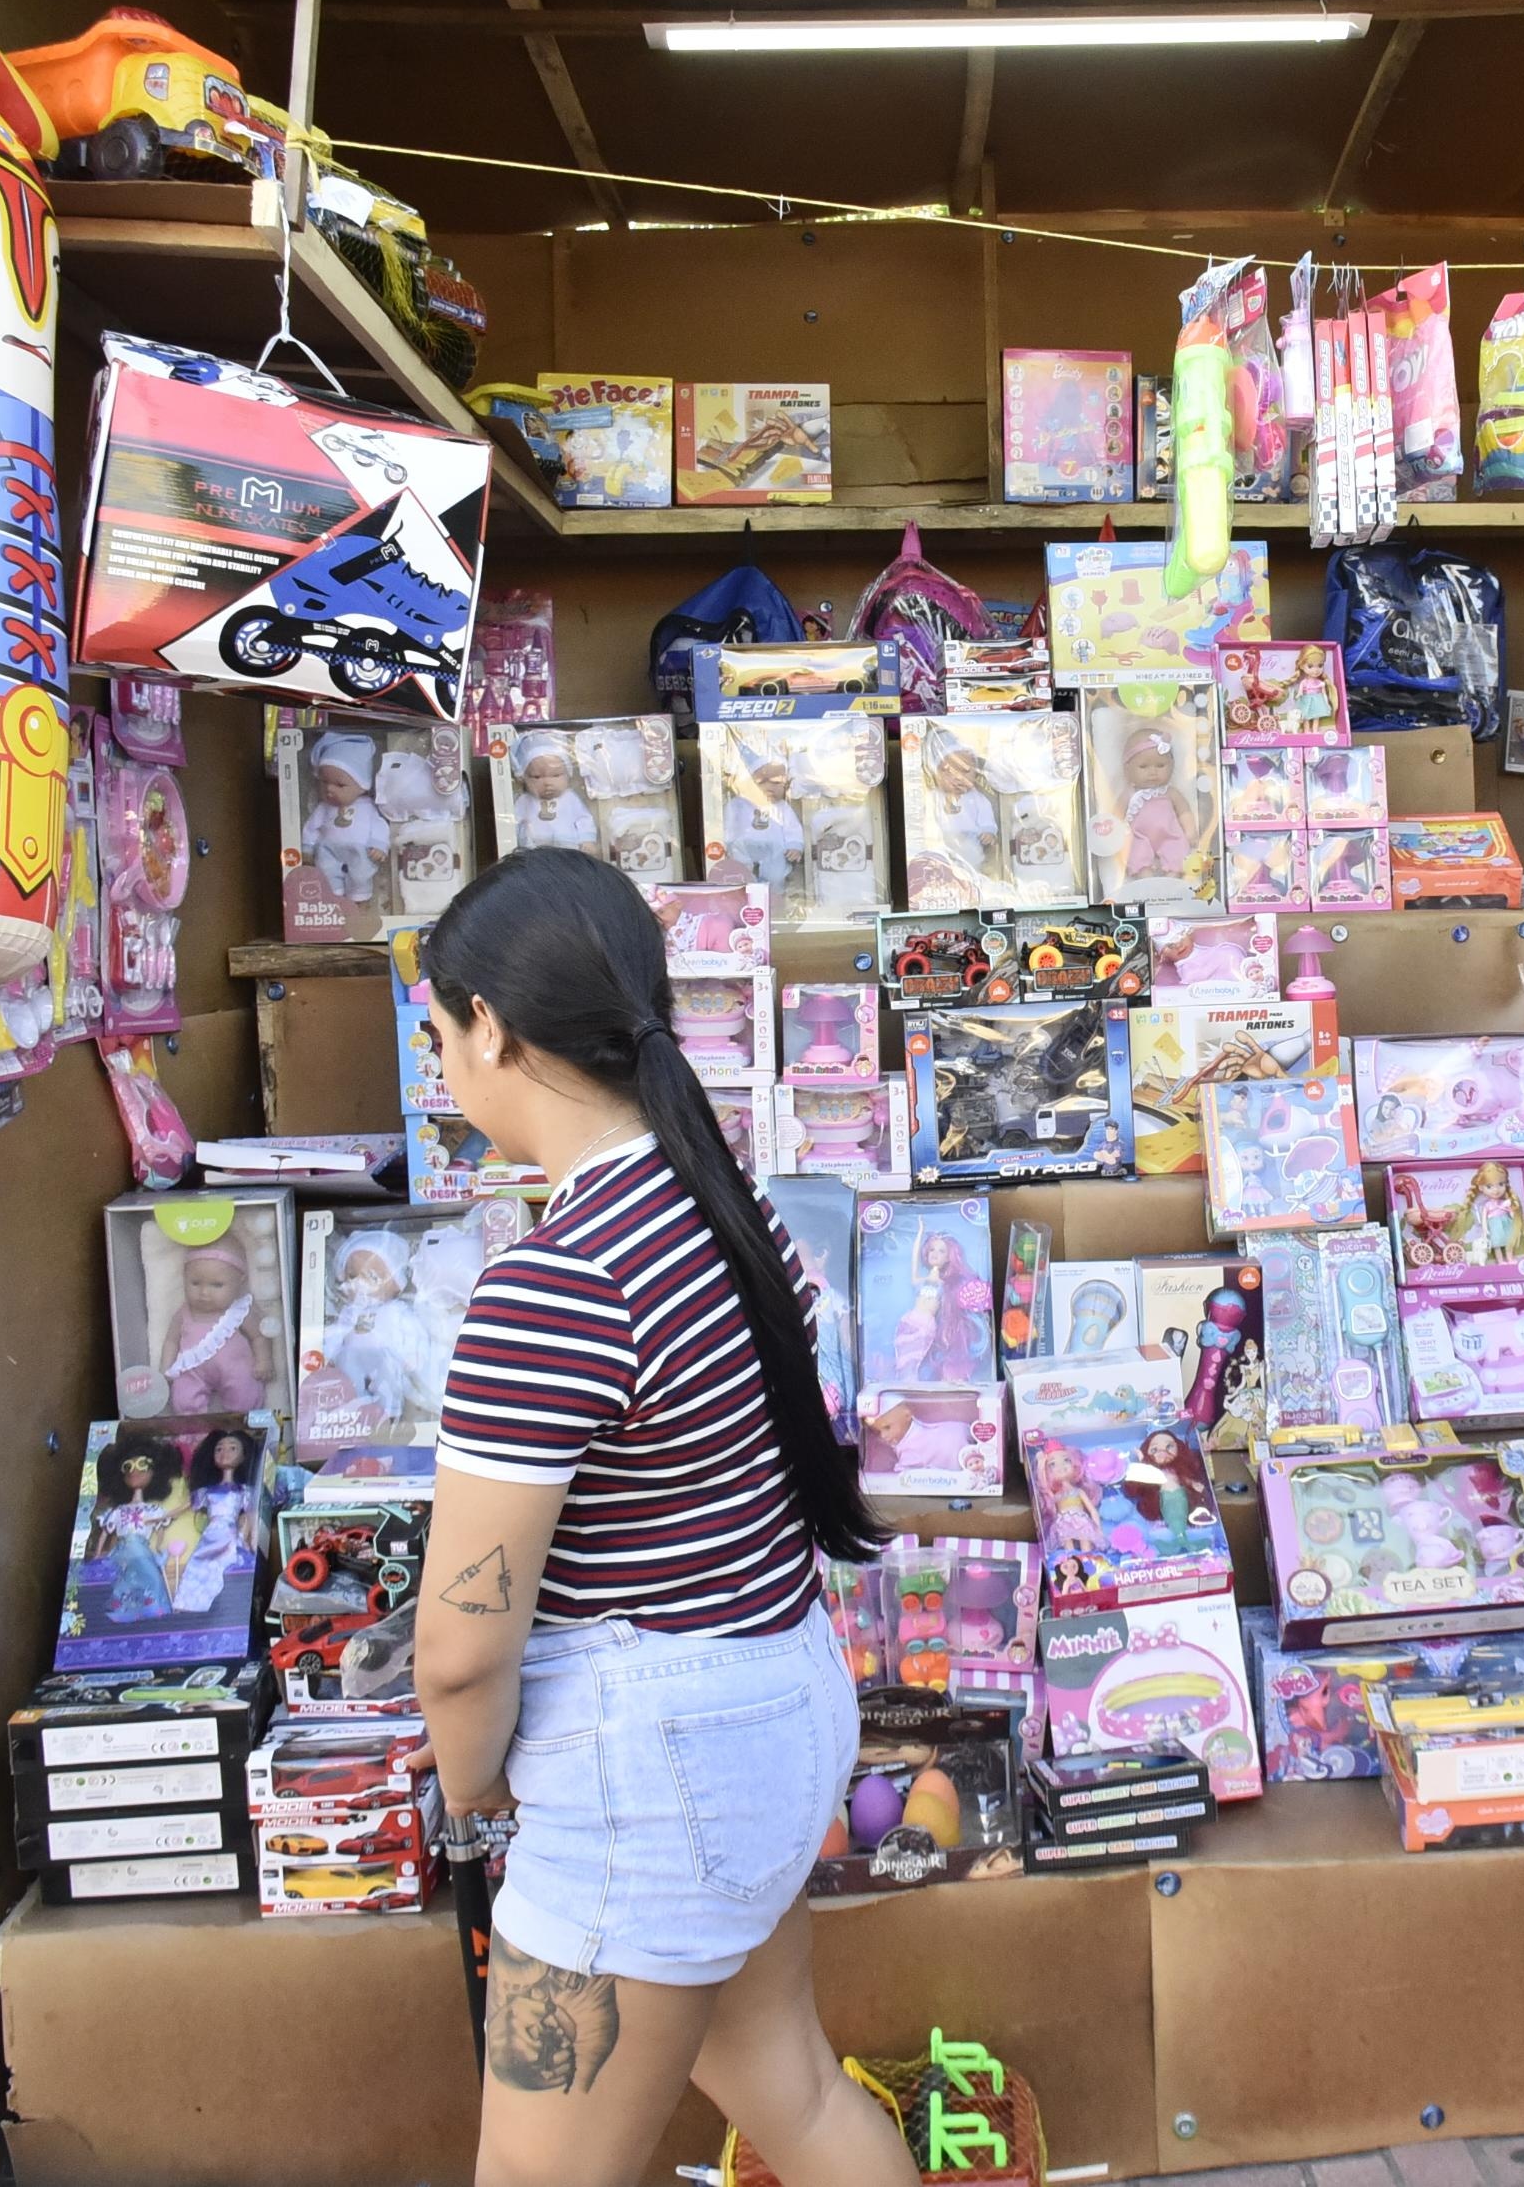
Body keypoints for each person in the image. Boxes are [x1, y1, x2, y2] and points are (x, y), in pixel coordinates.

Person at [410, 847, 921, 2187]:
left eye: (439, 1032)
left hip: (651, 1774)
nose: (442, 1070)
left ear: (494, 1028)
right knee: (797, 2096)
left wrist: (474, 1801)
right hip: (774, 1697)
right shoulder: (725, 1211)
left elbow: (462, 1646)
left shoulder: (555, 1283)